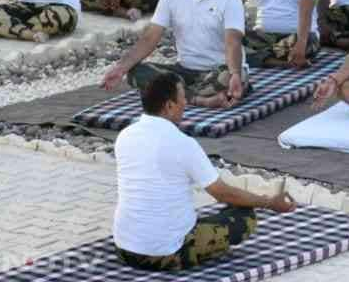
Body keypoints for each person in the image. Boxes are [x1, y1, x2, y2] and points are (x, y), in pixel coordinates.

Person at [113, 72, 296, 272]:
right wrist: (269, 202)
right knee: (244, 216)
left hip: (125, 248)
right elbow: (221, 193)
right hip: (165, 253)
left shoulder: (125, 136)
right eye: (182, 97)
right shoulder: (183, 143)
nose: (186, 103)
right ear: (169, 106)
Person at [100, 0, 248, 109]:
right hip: (184, 71)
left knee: (229, 78)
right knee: (136, 72)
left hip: (220, 70)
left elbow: (233, 42)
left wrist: (236, 73)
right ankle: (199, 99)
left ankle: (177, 93)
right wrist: (120, 68)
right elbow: (150, 37)